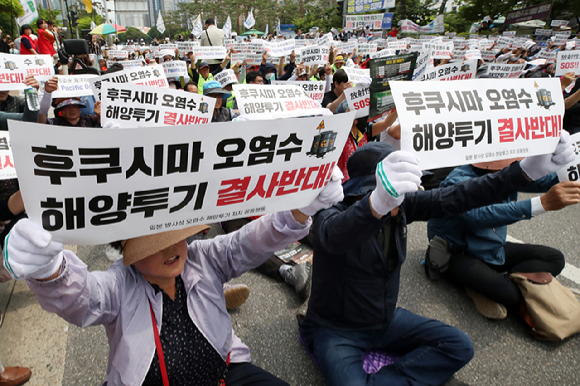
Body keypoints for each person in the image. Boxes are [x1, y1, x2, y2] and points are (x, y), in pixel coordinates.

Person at [3, 165, 343, 385]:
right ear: (126, 249)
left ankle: (214, 300)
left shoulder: (202, 257)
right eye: (153, 243)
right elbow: (83, 296)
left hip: (224, 372)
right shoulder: (119, 284)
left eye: (177, 233)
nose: (171, 248)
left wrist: (302, 208)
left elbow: (249, 242)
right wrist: (50, 268)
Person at [298, 136, 574, 386]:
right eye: (392, 191)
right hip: (337, 330)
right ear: (367, 190)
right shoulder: (330, 215)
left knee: (460, 345)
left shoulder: (402, 206)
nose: (402, 199)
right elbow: (336, 235)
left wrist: (525, 171)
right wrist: (377, 203)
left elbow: (460, 196)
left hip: (384, 320)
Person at [427, 159, 580, 319]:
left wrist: (574, 172)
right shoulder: (458, 179)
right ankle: (485, 286)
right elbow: (478, 215)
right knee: (512, 295)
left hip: (490, 247)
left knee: (554, 259)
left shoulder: (511, 172)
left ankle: (489, 285)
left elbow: (543, 179)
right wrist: (541, 204)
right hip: (458, 252)